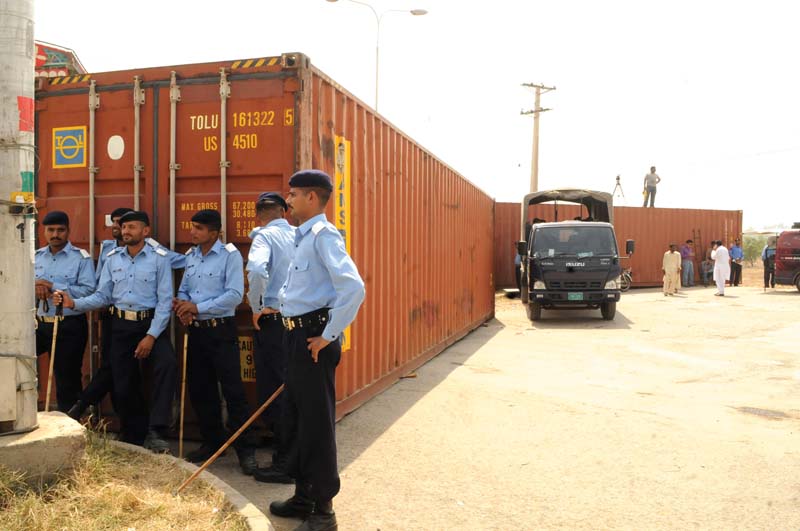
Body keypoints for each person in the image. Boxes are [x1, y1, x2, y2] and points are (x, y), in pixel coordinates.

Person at [268, 170, 365, 531]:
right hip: (295, 338)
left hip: (313, 341)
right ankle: (303, 497)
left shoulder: (324, 237)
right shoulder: (300, 237)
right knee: (295, 420)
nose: (288, 200)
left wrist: (328, 335)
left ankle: (324, 512)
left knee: (316, 426)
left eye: (292, 194)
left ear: (311, 197)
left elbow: (353, 288)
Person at [54, 211, 176, 452]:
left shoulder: (159, 258)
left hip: (151, 324)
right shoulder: (112, 258)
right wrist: (74, 304)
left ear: (145, 231)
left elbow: (165, 301)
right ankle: (134, 433)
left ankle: (157, 430)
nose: (127, 230)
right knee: (123, 384)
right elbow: (102, 295)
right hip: (121, 327)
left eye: (132, 226)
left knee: (167, 364)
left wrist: (150, 337)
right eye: (124, 226)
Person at [174, 209, 257, 475]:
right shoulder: (191, 256)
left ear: (214, 232)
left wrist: (196, 308)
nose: (193, 231)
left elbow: (234, 295)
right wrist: (183, 307)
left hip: (221, 331)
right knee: (201, 390)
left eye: (199, 228)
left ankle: (246, 451)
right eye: (193, 226)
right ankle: (213, 442)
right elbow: (184, 288)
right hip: (197, 332)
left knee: (233, 392)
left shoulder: (230, 256)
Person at [246, 192, 297, 484]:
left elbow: (255, 270)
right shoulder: (298, 236)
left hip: (273, 320)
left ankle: (285, 461)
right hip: (297, 321)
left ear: (258, 214)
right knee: (290, 386)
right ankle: (292, 452)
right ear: (284, 211)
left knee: (272, 388)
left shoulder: (264, 238)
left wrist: (257, 306)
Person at [34, 211, 96, 412]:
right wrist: (36, 287)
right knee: (17, 363)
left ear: (68, 231)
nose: (55, 234)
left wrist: (53, 285)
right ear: (44, 231)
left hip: (69, 326)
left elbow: (89, 290)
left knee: (66, 378)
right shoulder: (34, 257)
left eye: (60, 230)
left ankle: (70, 426)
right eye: (51, 230)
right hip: (39, 324)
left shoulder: (81, 258)